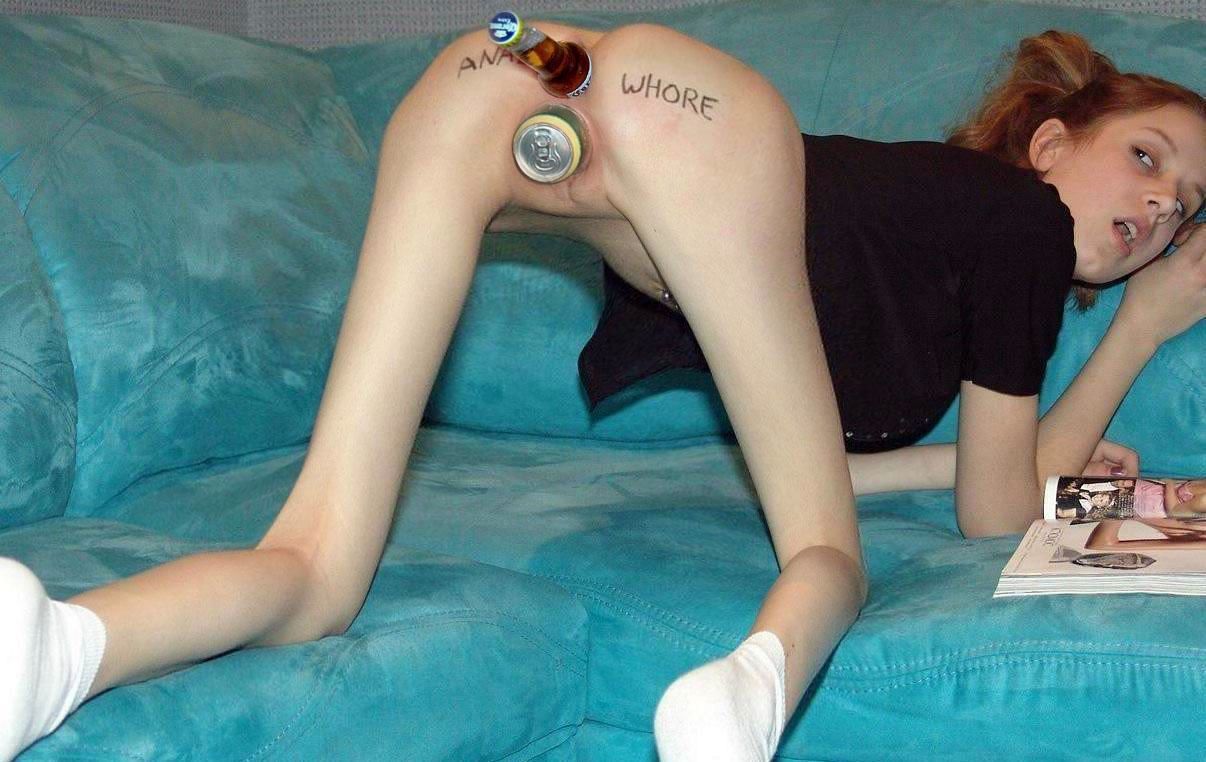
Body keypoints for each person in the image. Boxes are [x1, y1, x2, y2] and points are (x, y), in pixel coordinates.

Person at [1, 19, 1204, 762]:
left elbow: (896, 464)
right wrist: (1141, 326)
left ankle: (63, 647)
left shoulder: (919, 241)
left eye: (1183, 210)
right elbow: (996, 514)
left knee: (314, 570)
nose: (1158, 207)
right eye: (1146, 158)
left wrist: (1048, 459)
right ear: (1050, 145)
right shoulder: (1020, 225)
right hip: (690, 116)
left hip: (505, 63)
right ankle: (734, 707)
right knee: (826, 560)